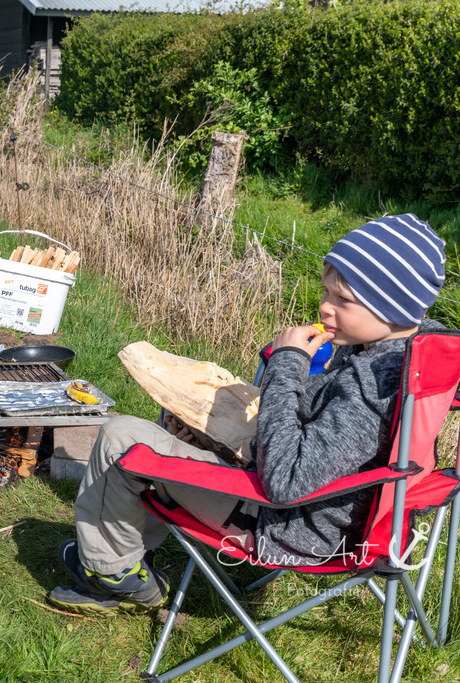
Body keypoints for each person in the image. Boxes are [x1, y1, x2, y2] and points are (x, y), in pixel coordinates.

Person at [49, 214, 446, 616]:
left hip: (285, 526)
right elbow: (312, 434)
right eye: (326, 291)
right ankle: (122, 553)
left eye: (342, 300)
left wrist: (288, 363)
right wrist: (217, 440)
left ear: (391, 306)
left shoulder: (370, 386)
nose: (325, 307)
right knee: (173, 429)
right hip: (315, 515)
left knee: (122, 439)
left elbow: (286, 482)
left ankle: (112, 575)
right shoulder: (406, 358)